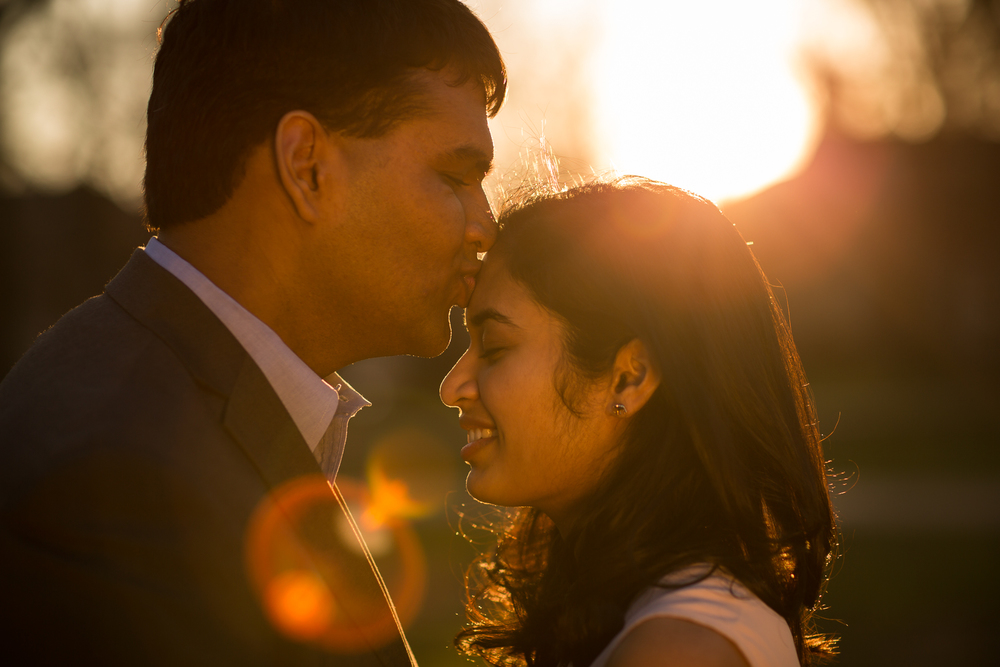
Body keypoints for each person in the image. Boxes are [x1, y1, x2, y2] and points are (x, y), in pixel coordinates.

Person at [0, 0, 505, 663]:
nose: (485, 227)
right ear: (307, 166)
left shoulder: (167, 402)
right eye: (455, 177)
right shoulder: (117, 479)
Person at [440, 178, 838, 667]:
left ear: (630, 377)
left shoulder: (679, 651)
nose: (452, 386)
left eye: (495, 347)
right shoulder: (648, 615)